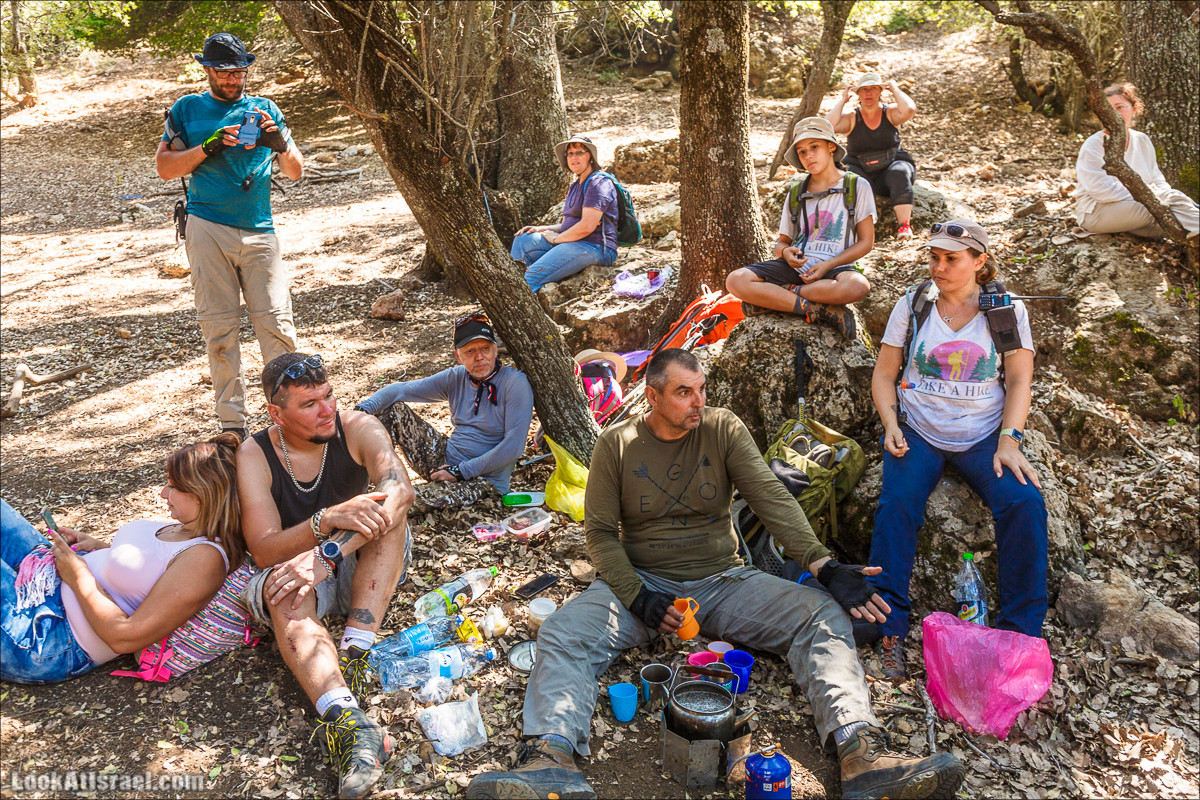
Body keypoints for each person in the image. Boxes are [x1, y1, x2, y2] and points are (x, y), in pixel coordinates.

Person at [466, 349, 965, 800]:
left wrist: (823, 564)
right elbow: (599, 534)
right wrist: (638, 596)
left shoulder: (722, 428)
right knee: (563, 631)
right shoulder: (616, 444)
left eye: (701, 389)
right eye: (684, 392)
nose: (697, 401)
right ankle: (551, 758)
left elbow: (771, 498)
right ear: (653, 395)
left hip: (724, 580)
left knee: (820, 615)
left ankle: (861, 751)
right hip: (642, 582)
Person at [867, 219, 1049, 680]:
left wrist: (1010, 439)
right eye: (934, 257)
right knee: (897, 507)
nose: (939, 266)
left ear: (979, 261)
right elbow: (885, 373)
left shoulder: (1004, 311)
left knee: (1025, 503)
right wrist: (891, 423)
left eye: (952, 258)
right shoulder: (913, 304)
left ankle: (1020, 636)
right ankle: (890, 630)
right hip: (920, 430)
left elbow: (1020, 379)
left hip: (982, 434)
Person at [237, 353, 415, 800]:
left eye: (329, 395)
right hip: (298, 572)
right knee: (279, 590)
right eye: (310, 403)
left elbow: (400, 491)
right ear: (276, 413)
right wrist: (324, 522)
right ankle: (349, 722)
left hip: (363, 563)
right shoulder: (255, 452)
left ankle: (354, 653)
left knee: (389, 518)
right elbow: (262, 545)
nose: (326, 409)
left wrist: (330, 550)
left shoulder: (358, 427)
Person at [1, 434, 245, 684]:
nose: (163, 493)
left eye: (172, 487)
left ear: (202, 494)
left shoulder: (205, 559)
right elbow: (150, 570)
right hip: (43, 583)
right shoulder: (185, 528)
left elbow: (126, 637)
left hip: (48, 638)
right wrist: (101, 549)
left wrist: (79, 577)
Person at [156, 32, 305, 441]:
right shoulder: (187, 109)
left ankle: (292, 418)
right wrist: (209, 146)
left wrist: (278, 142)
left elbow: (295, 171)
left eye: (239, 72)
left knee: (277, 325)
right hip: (207, 226)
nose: (233, 80)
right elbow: (166, 168)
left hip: (260, 228)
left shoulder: (265, 108)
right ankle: (232, 425)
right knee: (219, 329)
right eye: (224, 73)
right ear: (207, 70)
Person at [354, 312, 534, 508]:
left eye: (485, 349)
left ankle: (369, 505)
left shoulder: (514, 383)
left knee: (398, 502)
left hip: (483, 481)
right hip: (445, 460)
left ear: (495, 350)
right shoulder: (456, 377)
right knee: (393, 410)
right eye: (470, 352)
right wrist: (358, 413)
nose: (480, 357)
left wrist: (460, 471)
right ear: (458, 356)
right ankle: (354, 487)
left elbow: (514, 447)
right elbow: (400, 390)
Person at [726, 117, 874, 340]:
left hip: (836, 267)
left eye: (814, 147)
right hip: (797, 268)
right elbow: (782, 243)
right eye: (802, 152)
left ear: (831, 147)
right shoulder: (796, 193)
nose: (808, 156)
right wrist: (786, 253)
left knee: (858, 287)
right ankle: (818, 309)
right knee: (735, 280)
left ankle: (780, 296)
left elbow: (866, 242)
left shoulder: (856, 186)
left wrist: (829, 265)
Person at [1073, 83, 1199, 239]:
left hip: (1136, 208)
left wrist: (1157, 193)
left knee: (1175, 228)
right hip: (1097, 212)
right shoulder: (1094, 144)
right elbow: (1101, 191)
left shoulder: (1142, 140)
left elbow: (1157, 179)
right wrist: (1152, 194)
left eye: (1120, 107)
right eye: (1108, 109)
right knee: (1170, 203)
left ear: (1134, 109)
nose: (1114, 113)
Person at [510, 134, 618, 292]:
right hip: (573, 242)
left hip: (596, 246)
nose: (574, 157)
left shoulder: (598, 183)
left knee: (530, 278)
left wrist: (556, 239)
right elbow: (572, 224)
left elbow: (587, 226)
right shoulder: (576, 185)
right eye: (570, 153)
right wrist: (544, 228)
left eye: (580, 152)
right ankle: (510, 284)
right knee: (523, 239)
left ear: (591, 157)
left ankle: (519, 295)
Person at [827, 72, 917, 240]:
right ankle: (853, 231)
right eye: (864, 89)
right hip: (862, 171)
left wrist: (895, 89)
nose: (868, 93)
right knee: (848, 178)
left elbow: (910, 109)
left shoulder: (889, 112)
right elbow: (828, 125)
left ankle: (904, 226)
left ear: (880, 91)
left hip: (891, 168)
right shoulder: (852, 117)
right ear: (858, 93)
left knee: (900, 172)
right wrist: (842, 101)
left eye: (873, 89)